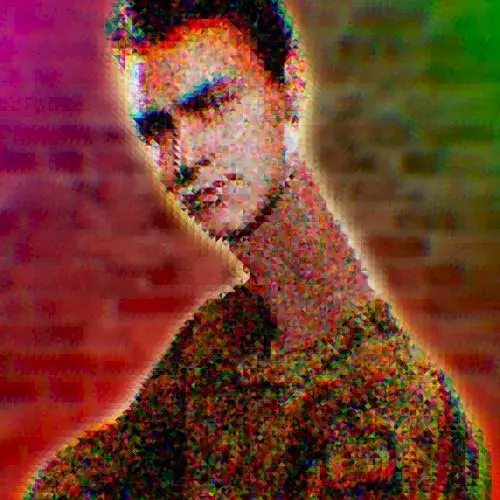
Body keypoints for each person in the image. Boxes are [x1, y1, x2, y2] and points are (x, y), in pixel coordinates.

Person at [26, 0, 491, 497]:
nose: (185, 157)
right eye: (159, 130)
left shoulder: (390, 404)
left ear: (290, 86)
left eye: (213, 105)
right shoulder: (220, 341)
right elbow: (83, 479)